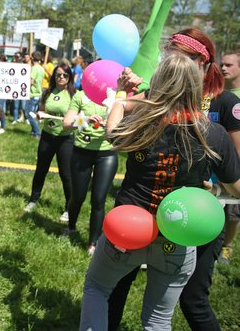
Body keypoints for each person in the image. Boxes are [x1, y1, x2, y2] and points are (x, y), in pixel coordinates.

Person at [79, 53, 240, 331]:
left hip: (128, 232)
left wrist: (119, 99)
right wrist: (212, 188)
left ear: (158, 83)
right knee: (158, 320)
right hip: (177, 236)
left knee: (97, 288)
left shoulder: (142, 122)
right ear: (196, 87)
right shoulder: (213, 133)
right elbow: (237, 188)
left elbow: (112, 133)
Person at [63, 83, 118, 255]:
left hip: (107, 154)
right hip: (82, 152)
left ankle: (93, 242)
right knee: (77, 196)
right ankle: (71, 227)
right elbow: (67, 123)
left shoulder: (116, 98)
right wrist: (85, 120)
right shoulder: (80, 96)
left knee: (98, 199)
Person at [24, 63, 75, 222]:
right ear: (54, 76)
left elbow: (79, 118)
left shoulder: (74, 95)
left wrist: (71, 121)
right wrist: (41, 114)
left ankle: (69, 207)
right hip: (47, 136)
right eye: (58, 74)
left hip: (65, 139)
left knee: (66, 174)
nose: (61, 77)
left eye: (65, 75)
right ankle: (33, 199)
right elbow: (42, 109)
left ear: (69, 77)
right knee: (41, 170)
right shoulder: (47, 92)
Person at [219, 49, 240, 264]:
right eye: (222, 64)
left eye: (229, 65)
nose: (224, 68)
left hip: (236, 164)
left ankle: (227, 246)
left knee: (233, 212)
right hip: (215, 162)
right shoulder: (215, 95)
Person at [25, 51, 45, 139]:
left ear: (32, 58)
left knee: (29, 114)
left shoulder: (34, 68)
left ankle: (37, 132)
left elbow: (31, 81)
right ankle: (34, 132)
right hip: (39, 93)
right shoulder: (41, 68)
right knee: (32, 113)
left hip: (33, 94)